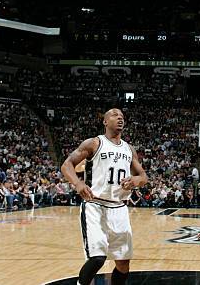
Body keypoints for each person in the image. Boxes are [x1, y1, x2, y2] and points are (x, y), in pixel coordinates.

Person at [61, 108, 148, 285]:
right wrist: (78, 184)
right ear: (105, 122)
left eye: (122, 116)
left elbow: (144, 177)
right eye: (115, 115)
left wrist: (135, 180)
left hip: (119, 207)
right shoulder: (94, 143)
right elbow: (67, 165)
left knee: (123, 263)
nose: (120, 118)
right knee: (97, 258)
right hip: (95, 205)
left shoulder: (129, 149)